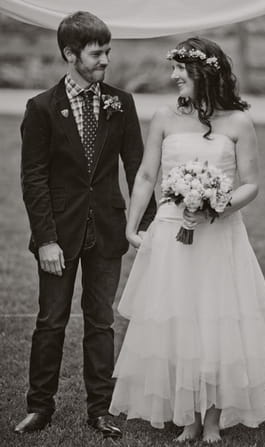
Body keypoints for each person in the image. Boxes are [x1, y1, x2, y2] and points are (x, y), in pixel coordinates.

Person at [107, 37, 265, 443]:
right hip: (171, 231)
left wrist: (217, 205)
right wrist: (132, 225)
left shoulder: (239, 122)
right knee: (177, 319)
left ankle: (211, 419)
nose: (173, 77)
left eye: (180, 70)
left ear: (203, 73)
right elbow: (146, 176)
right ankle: (186, 416)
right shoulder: (163, 117)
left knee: (215, 321)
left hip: (220, 235)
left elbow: (252, 184)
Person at [16, 11, 156, 438]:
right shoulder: (41, 108)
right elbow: (34, 178)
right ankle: (40, 407)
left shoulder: (121, 102)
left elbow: (138, 168)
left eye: (108, 52)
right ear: (70, 54)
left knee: (101, 323)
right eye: (98, 53)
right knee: (50, 322)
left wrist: (147, 225)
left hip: (109, 231)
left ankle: (101, 408)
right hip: (59, 236)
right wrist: (46, 241)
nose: (106, 61)